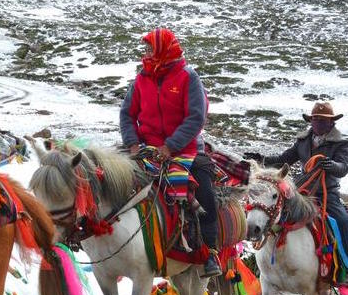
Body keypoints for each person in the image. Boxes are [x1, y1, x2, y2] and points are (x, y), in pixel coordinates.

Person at [119, 28, 221, 277]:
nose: (147, 53)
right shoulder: (142, 79)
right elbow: (127, 114)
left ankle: (209, 252)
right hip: (146, 148)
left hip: (184, 149)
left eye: (151, 48)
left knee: (205, 190)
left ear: (163, 49)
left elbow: (197, 117)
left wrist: (170, 147)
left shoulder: (188, 77)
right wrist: (132, 143)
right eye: (146, 49)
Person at [245, 102, 348, 278]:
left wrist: (331, 165)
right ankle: (263, 261)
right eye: (315, 119)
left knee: (343, 221)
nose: (318, 123)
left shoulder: (341, 144)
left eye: (323, 120)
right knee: (273, 213)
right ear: (311, 121)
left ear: (331, 123)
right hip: (302, 191)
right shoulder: (303, 141)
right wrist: (262, 159)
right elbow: (284, 158)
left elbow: (343, 168)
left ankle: (345, 265)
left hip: (326, 194)